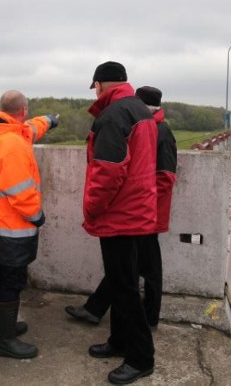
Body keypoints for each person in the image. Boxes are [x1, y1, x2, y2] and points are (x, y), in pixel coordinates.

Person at [65, 85, 177, 331]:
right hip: (141, 212)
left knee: (145, 269)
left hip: (145, 214)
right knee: (128, 268)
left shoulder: (161, 131)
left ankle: (147, 319)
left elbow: (165, 176)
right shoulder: (153, 127)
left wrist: (144, 208)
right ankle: (97, 309)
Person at [81, 61, 157, 384]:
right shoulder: (140, 110)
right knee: (119, 281)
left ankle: (141, 357)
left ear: (99, 84)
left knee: (124, 289)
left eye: (94, 86)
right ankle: (119, 341)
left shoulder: (112, 116)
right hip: (136, 212)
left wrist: (91, 209)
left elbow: (108, 171)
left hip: (119, 216)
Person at [0, 90, 58, 359]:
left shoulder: (3, 132)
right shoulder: (11, 144)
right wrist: (37, 216)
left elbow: (32, 128)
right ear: (22, 110)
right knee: (11, 280)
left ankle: (4, 328)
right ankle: (4, 341)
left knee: (3, 274)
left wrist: (49, 120)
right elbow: (19, 191)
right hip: (14, 228)